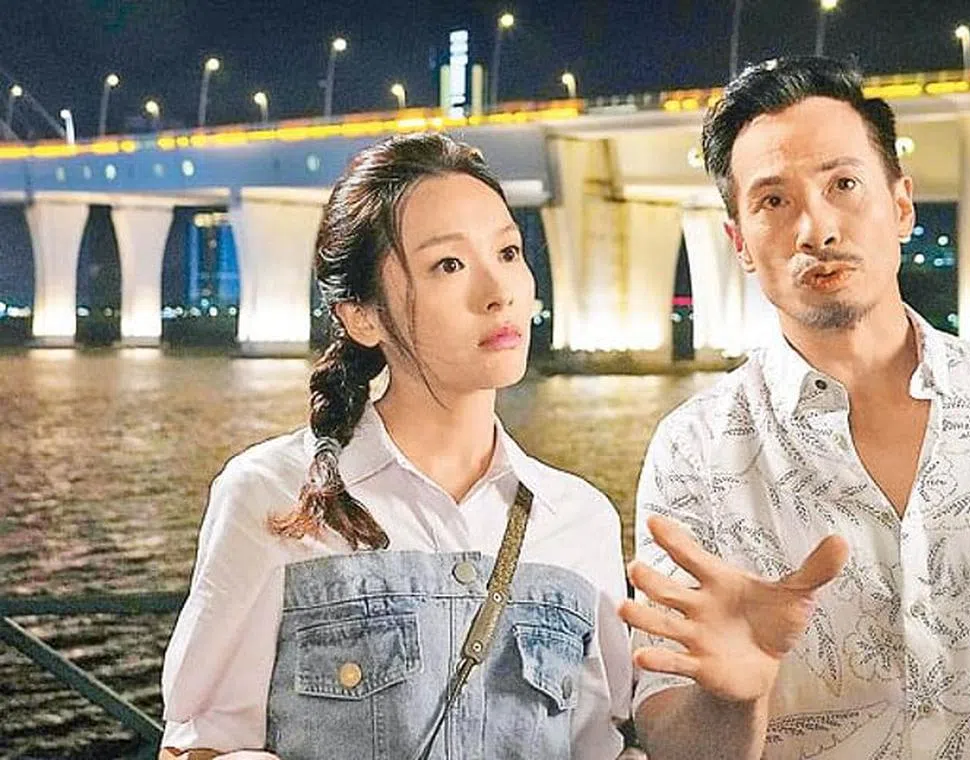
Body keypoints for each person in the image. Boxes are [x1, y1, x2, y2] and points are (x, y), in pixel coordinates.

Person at [619, 56, 970, 759]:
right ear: (739, 242)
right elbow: (670, 732)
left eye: (844, 184)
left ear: (900, 206)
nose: (816, 228)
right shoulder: (694, 451)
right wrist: (732, 695)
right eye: (773, 201)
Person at [159, 133, 631, 760]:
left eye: (508, 252)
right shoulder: (272, 495)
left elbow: (599, 743)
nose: (499, 291)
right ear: (362, 315)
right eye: (449, 265)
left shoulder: (578, 518)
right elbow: (200, 744)